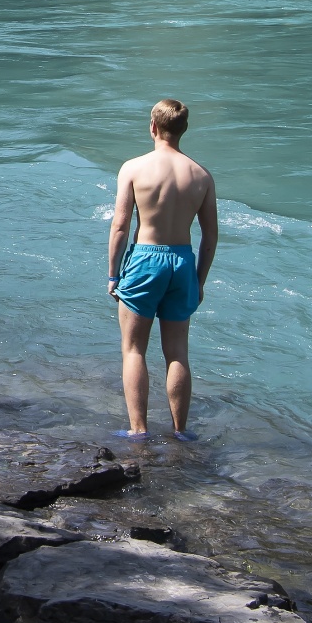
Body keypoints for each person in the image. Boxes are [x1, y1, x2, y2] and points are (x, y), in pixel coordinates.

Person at [106, 98, 219, 439]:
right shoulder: (201, 175)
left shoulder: (134, 168)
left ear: (153, 127)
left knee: (134, 349)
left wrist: (113, 275)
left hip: (146, 259)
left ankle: (139, 431)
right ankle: (180, 431)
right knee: (178, 352)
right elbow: (210, 235)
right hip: (182, 262)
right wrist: (198, 281)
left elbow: (121, 227)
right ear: (184, 130)